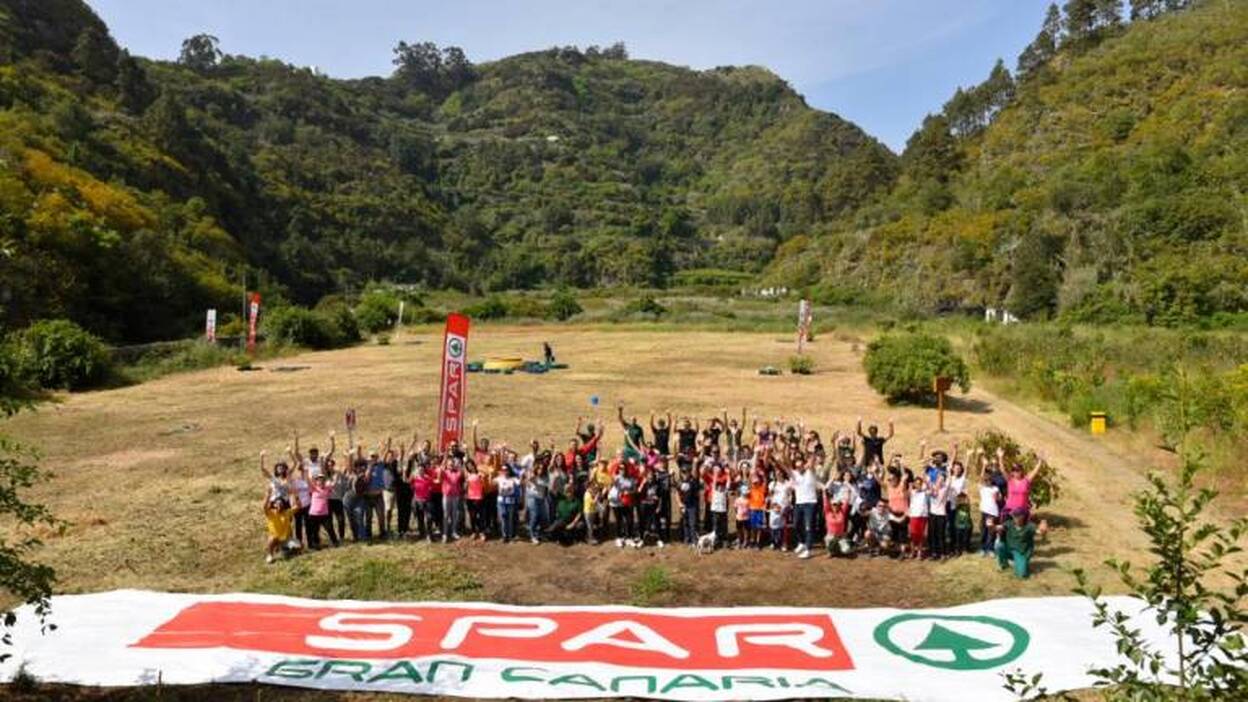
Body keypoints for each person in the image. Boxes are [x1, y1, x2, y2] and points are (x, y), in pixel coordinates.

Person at [995, 510, 1048, 578]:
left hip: (1021, 552)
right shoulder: (1009, 523)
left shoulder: (1029, 526)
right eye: (1013, 516)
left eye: (1016, 516)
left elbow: (1040, 532)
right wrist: (992, 526)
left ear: (1022, 517)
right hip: (1009, 549)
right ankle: (1004, 564)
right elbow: (998, 527)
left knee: (1022, 575)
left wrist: (1043, 528)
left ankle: (1022, 563)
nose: (1014, 517)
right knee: (999, 545)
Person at [263, 494, 299, 564]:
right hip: (275, 539)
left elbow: (298, 506)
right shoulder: (271, 513)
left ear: (283, 505)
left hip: (285, 539)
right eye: (277, 503)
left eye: (281, 503)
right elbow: (264, 507)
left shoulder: (287, 512)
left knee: (299, 546)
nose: (279, 505)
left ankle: (283, 549)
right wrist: (268, 496)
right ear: (274, 505)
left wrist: (294, 495)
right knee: (272, 538)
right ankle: (270, 555)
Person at [306, 473, 338, 549]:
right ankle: (316, 545)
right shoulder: (314, 488)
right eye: (319, 480)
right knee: (315, 531)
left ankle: (335, 542)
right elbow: (308, 481)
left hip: (324, 513)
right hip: (313, 514)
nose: (321, 481)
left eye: (322, 480)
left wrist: (336, 475)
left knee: (330, 528)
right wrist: (306, 471)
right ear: (316, 481)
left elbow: (334, 483)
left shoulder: (327, 488)